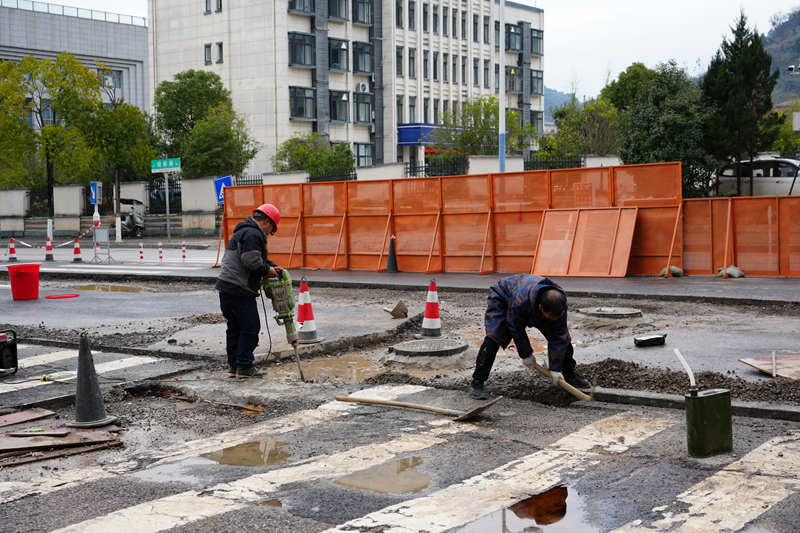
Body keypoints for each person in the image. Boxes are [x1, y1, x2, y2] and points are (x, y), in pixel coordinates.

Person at [471, 274, 590, 399]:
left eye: (557, 316)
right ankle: (477, 382)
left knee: (564, 339)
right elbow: (515, 328)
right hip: (504, 298)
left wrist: (555, 367)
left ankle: (569, 374)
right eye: (552, 316)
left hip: (532, 303)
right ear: (540, 308)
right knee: (494, 337)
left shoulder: (559, 303)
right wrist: (526, 354)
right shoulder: (520, 302)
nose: (555, 319)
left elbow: (559, 335)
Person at [215, 204, 281, 378]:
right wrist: (268, 271)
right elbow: (251, 261)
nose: (269, 234)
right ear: (267, 221)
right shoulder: (253, 233)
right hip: (239, 289)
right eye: (271, 230)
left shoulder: (244, 231)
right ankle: (244, 366)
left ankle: (234, 367)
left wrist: (271, 265)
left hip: (227, 288)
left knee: (235, 328)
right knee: (250, 328)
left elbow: (253, 257)